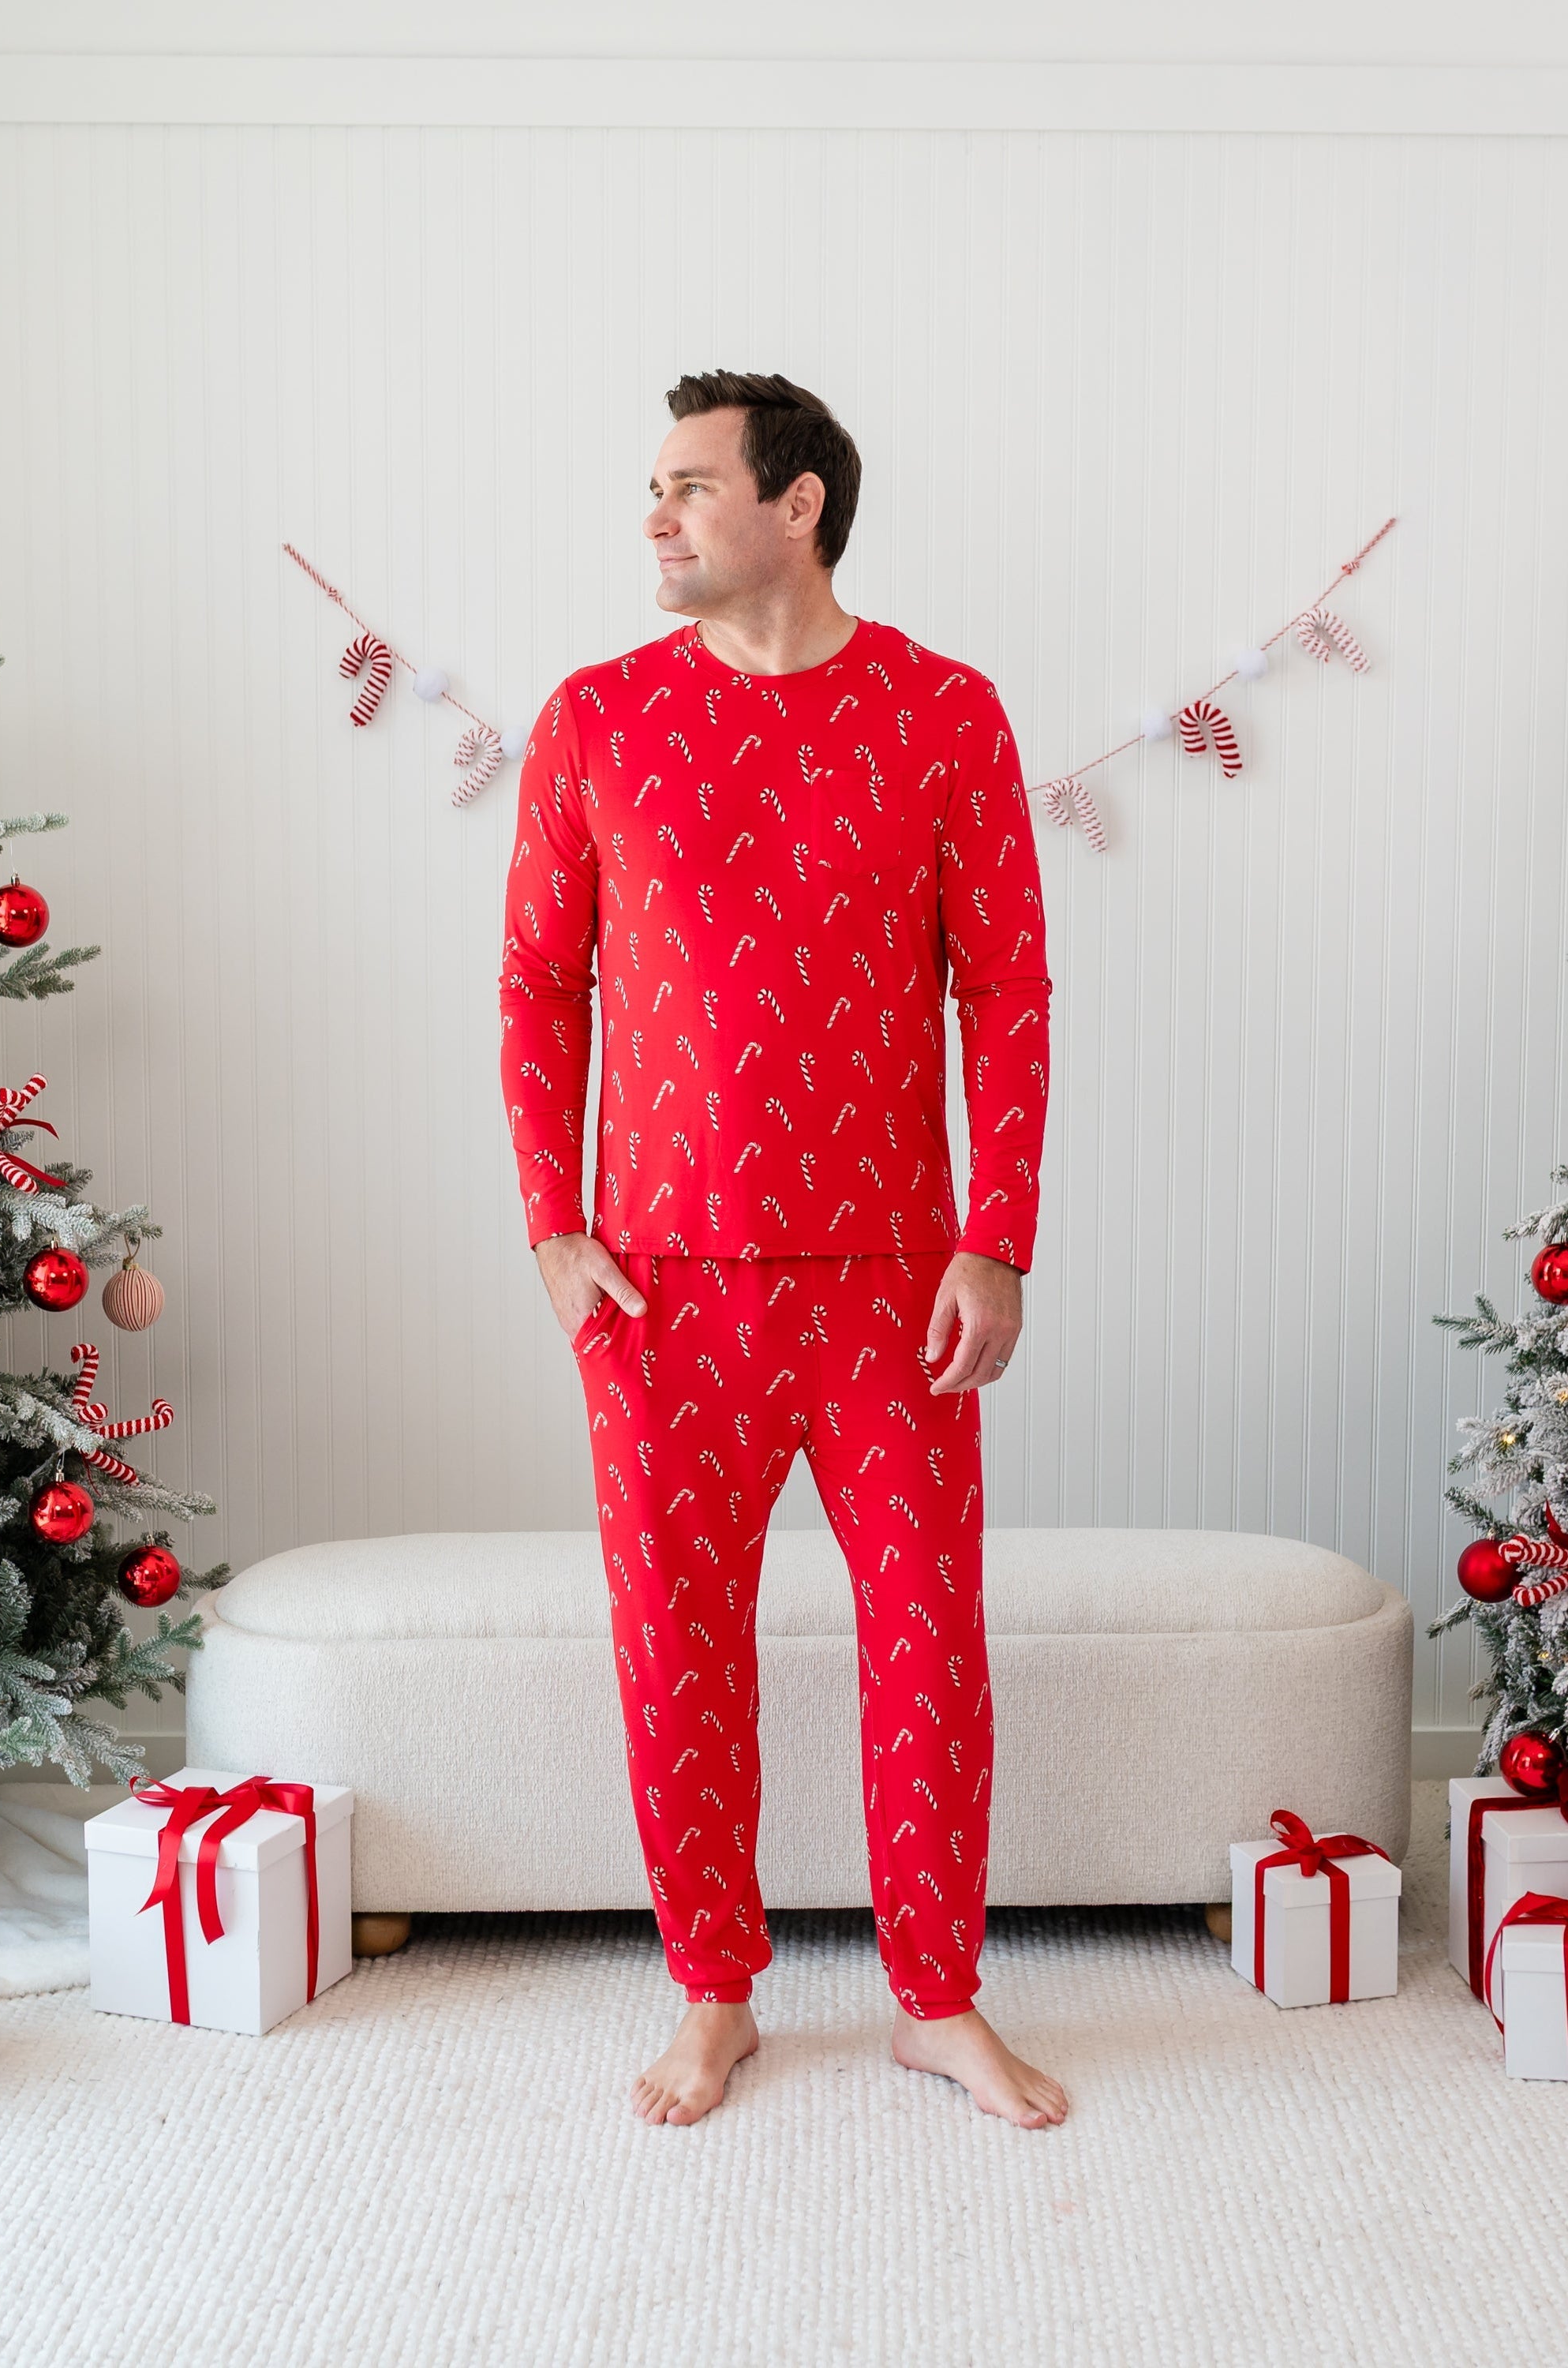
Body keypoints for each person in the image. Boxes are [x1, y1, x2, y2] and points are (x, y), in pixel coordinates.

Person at [498, 369, 1065, 2130]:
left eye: (685, 486)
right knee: (676, 1643)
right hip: (660, 1286)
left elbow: (1009, 988)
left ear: (796, 503)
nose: (652, 519)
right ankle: (714, 1993)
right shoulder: (593, 717)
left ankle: (935, 1999)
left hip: (897, 1282)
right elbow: (540, 981)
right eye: (648, 491)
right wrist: (550, 1229)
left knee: (927, 1644)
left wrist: (1000, 1239)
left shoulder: (945, 711)